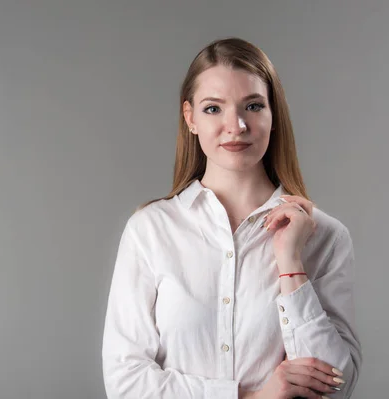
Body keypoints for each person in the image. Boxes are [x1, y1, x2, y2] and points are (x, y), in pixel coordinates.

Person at [101, 37, 362, 399]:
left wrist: (290, 264)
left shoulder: (326, 236)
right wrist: (251, 397)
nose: (236, 125)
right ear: (190, 118)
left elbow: (336, 385)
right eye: (213, 109)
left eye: (253, 106)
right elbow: (125, 381)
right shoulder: (150, 230)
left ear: (274, 116)